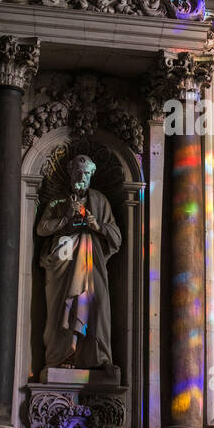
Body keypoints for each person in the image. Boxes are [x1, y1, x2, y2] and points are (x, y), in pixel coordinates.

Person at [36, 154, 121, 370]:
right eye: (77, 172)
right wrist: (65, 219)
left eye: (86, 173)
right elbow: (41, 228)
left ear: (92, 176)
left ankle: (96, 359)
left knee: (96, 306)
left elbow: (117, 237)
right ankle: (63, 356)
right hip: (63, 262)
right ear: (70, 173)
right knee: (63, 308)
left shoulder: (100, 201)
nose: (81, 177)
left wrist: (98, 226)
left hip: (92, 265)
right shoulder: (58, 201)